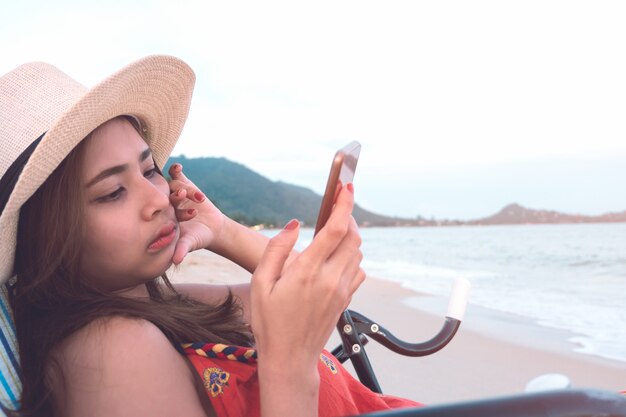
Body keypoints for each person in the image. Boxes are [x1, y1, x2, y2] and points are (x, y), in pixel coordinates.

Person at [0, 56, 422, 417]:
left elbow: (315, 295)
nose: (157, 197)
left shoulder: (156, 303)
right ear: (46, 236)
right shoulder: (112, 353)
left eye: (149, 170)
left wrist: (222, 230)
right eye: (112, 192)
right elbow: (302, 316)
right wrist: (289, 368)